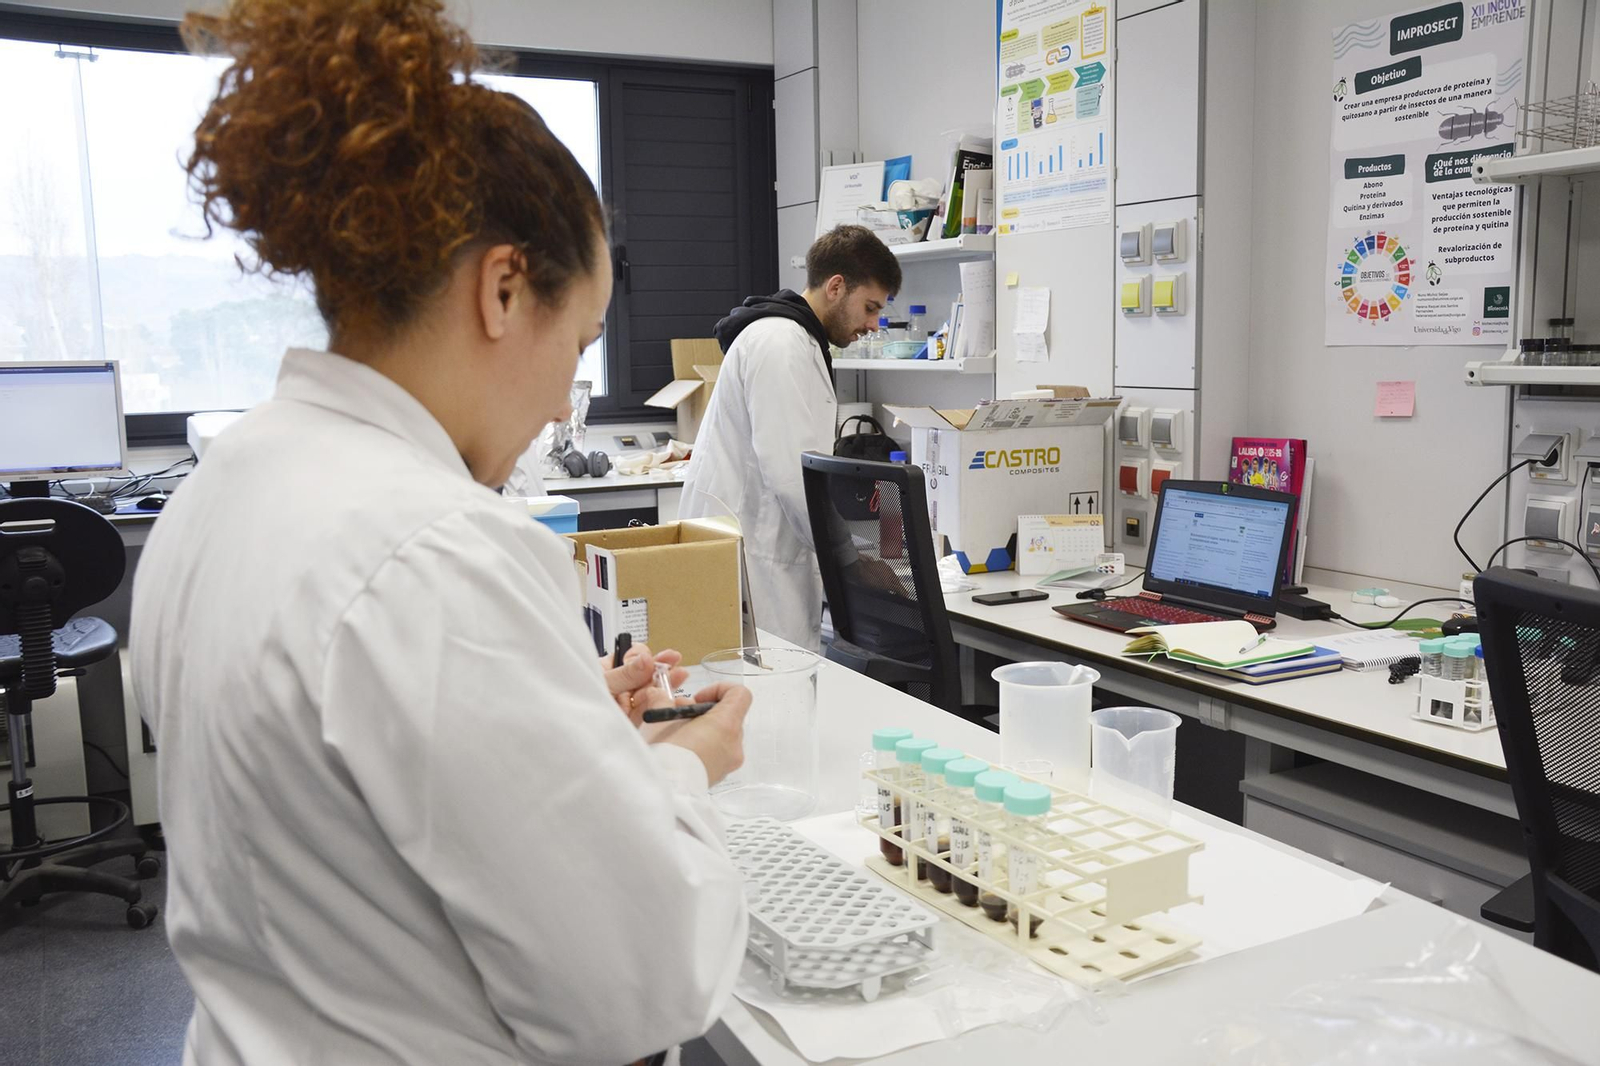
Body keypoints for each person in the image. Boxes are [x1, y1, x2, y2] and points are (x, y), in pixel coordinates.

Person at [129, 2, 751, 1063]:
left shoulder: (222, 487)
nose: (566, 405)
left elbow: (332, 811)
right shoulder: (436, 551)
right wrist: (681, 765)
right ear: (505, 287)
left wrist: (556, 725)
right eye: (582, 341)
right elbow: (642, 989)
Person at [679, 225, 902, 651]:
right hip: (753, 559)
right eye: (870, 307)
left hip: (759, 552)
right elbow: (793, 476)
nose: (874, 324)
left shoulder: (795, 340)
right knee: (765, 698)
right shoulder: (782, 344)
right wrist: (853, 561)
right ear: (836, 286)